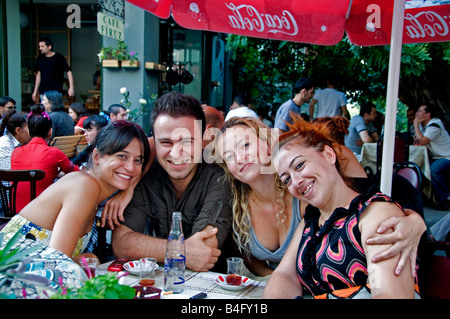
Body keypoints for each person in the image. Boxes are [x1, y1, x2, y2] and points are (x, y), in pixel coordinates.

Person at [215, 116, 425, 278]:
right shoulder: (236, 201)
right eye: (229, 156)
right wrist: (276, 281)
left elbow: (371, 200)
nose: (240, 158)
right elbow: (249, 255)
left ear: (268, 143)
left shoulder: (306, 182)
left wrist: (413, 217)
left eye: (245, 145)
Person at [264, 116, 422, 299]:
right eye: (287, 179)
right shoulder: (311, 222)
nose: (296, 182)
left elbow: (390, 294)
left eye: (299, 165)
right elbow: (285, 275)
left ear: (329, 155)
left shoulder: (375, 214)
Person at [111, 92, 233, 272]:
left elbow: (203, 249)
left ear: (203, 139)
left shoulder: (219, 176)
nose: (176, 153)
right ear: (155, 141)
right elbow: (120, 243)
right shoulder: (145, 175)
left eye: (187, 141)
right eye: (166, 142)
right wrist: (180, 251)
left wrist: (157, 249)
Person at [1, 119, 150, 263]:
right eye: (122, 156)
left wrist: (130, 188)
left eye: (138, 160)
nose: (131, 167)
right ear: (97, 157)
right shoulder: (84, 186)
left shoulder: (92, 189)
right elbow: (58, 263)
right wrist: (86, 259)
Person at [11, 104, 79, 212]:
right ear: (50, 132)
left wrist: (54, 173)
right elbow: (77, 174)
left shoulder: (15, 152)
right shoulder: (54, 153)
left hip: (16, 212)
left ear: (29, 131)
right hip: (42, 214)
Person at [413, 104, 450, 211]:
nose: (416, 114)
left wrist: (415, 124)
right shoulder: (423, 126)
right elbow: (417, 141)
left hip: (446, 157)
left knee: (434, 170)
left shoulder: (435, 125)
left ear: (427, 115)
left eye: (420, 111)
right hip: (435, 157)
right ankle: (427, 198)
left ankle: (444, 200)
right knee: (419, 167)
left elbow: (422, 141)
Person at [32, 37, 74, 102]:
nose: (40, 48)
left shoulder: (59, 57)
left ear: (49, 46)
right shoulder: (40, 58)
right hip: (43, 91)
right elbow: (38, 75)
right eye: (39, 46)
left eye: (42, 46)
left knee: (55, 110)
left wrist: (71, 88)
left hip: (56, 90)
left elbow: (68, 71)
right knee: (45, 111)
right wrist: (35, 91)